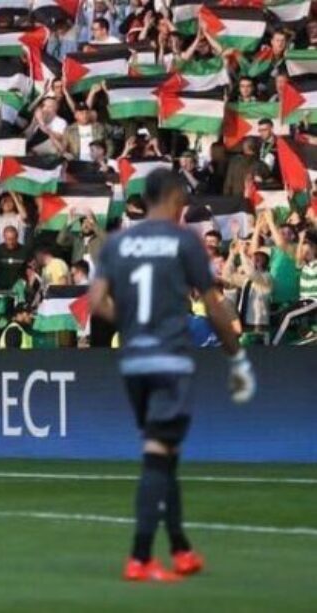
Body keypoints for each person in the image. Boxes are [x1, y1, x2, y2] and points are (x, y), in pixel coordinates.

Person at [89, 169, 255, 582]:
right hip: (170, 361)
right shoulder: (184, 241)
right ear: (174, 196)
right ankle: (141, 556)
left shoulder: (118, 242)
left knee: (165, 455)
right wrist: (236, 359)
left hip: (133, 362)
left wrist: (130, 323)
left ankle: (180, 547)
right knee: (158, 456)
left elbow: (95, 301)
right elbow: (215, 306)